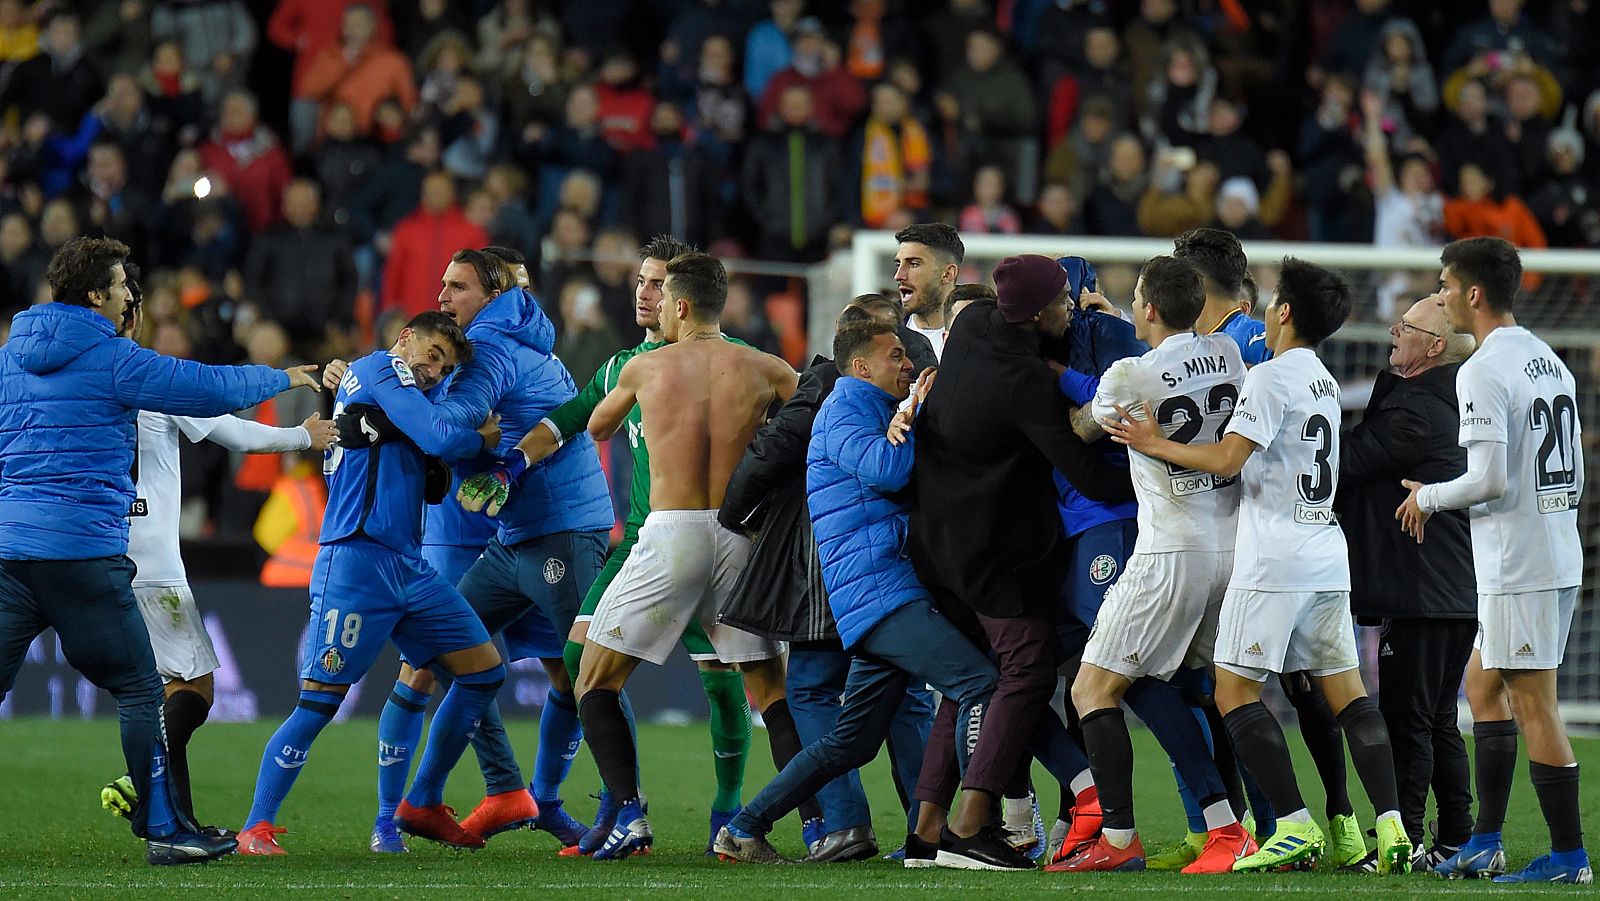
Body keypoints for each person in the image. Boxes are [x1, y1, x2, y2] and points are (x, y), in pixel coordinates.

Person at [0, 237, 319, 865]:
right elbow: (204, 389)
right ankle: (166, 830)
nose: (127, 297)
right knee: (144, 691)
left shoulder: (11, 357)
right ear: (97, 295)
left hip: (11, 551)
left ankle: (173, 820)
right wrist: (279, 376)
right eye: (121, 286)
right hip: (83, 552)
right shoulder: (115, 359)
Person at [459, 237, 776, 856]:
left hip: (707, 536)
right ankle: (616, 804)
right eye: (640, 281)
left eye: (658, 283)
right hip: (639, 542)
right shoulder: (620, 367)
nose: (644, 294)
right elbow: (567, 420)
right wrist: (510, 466)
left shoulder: (730, 360)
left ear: (682, 297)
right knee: (581, 662)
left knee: (722, 683)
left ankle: (726, 810)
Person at [1103, 257, 1412, 874]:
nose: (1266, 311)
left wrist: (1153, 442)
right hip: (1326, 551)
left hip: (1274, 555)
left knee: (1233, 691)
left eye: (1272, 302)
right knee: (1350, 696)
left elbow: (1227, 459)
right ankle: (1392, 825)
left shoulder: (1270, 377)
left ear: (1286, 312)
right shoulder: (1322, 378)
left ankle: (1292, 824)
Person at [713, 318, 998, 865]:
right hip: (880, 593)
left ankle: (744, 828)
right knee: (979, 684)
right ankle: (970, 829)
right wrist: (911, 415)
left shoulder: (869, 408)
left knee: (851, 742)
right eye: (895, 356)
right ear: (862, 366)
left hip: (880, 591)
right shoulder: (844, 408)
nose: (907, 364)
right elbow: (888, 472)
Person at [236, 311, 503, 855]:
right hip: (355, 560)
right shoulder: (380, 368)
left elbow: (428, 443)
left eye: (444, 367)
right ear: (405, 338)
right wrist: (479, 439)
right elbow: (437, 435)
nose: (433, 371)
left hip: (409, 565)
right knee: (319, 703)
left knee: (483, 672)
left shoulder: (397, 390)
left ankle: (397, 816)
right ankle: (255, 827)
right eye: (432, 354)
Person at [908, 254, 1135, 870]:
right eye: (1062, 301)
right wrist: (1160, 470)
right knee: (1029, 671)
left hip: (936, 541)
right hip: (992, 553)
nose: (1071, 309)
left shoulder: (974, 325)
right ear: (1034, 314)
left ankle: (925, 832)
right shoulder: (1023, 382)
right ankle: (967, 829)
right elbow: (1086, 474)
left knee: (969, 679)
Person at [570, 252, 798, 859]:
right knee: (771, 691)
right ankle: (817, 824)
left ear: (681, 306)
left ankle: (628, 816)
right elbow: (812, 420)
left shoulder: (646, 366)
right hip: (739, 533)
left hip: (670, 532)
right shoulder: (767, 367)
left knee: (594, 679)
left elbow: (597, 427)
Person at [98, 263, 340, 835]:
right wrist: (301, 435)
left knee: (164, 690)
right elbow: (230, 429)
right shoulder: (151, 379)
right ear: (133, 318)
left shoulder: (77, 385)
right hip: (152, 563)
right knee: (196, 688)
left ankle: (172, 818)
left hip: (94, 550)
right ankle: (142, 778)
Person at [1054, 255, 1254, 874]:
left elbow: (1083, 427)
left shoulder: (1129, 374)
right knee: (1177, 684)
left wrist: (1058, 377)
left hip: (1170, 550)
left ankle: (1119, 840)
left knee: (1090, 688)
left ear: (1149, 307)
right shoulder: (1228, 352)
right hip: (1229, 545)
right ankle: (1234, 826)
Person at [1401, 237, 1592, 884]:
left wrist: (1427, 496)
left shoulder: (1482, 369)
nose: (1442, 296)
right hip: (1552, 548)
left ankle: (1568, 857)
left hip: (1521, 564)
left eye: (1446, 285)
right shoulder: (1547, 359)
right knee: (1483, 685)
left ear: (1474, 293)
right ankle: (1484, 841)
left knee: (1535, 703)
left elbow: (1488, 479)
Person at [1334, 294, 1477, 871]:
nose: (1394, 331)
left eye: (1407, 326)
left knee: (1408, 717)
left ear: (1434, 346)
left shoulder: (1417, 409)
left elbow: (1346, 458)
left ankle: (1409, 839)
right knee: (1436, 718)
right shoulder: (1440, 398)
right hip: (1448, 589)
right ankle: (1459, 837)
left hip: (1424, 589)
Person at [892, 223, 962, 358]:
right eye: (898, 264)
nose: (898, 276)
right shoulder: (882, 330)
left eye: (913, 264)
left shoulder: (982, 336)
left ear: (947, 274)